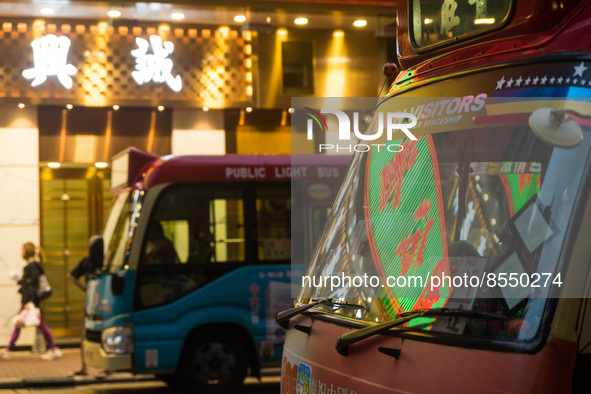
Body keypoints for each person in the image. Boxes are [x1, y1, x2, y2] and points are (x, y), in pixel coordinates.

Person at [0, 242, 62, 360]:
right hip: (31, 302)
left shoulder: (32, 266)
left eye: (22, 250)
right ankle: (9, 349)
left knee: (31, 325)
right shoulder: (33, 266)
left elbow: (32, 286)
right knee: (26, 324)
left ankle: (53, 349)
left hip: (31, 303)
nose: (20, 253)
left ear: (26, 252)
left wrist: (30, 303)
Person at [67, 236, 107, 378]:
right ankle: (102, 368)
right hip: (104, 301)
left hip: (91, 303)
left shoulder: (87, 261)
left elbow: (71, 275)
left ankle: (85, 366)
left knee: (86, 333)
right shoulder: (106, 262)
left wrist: (84, 289)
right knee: (101, 333)